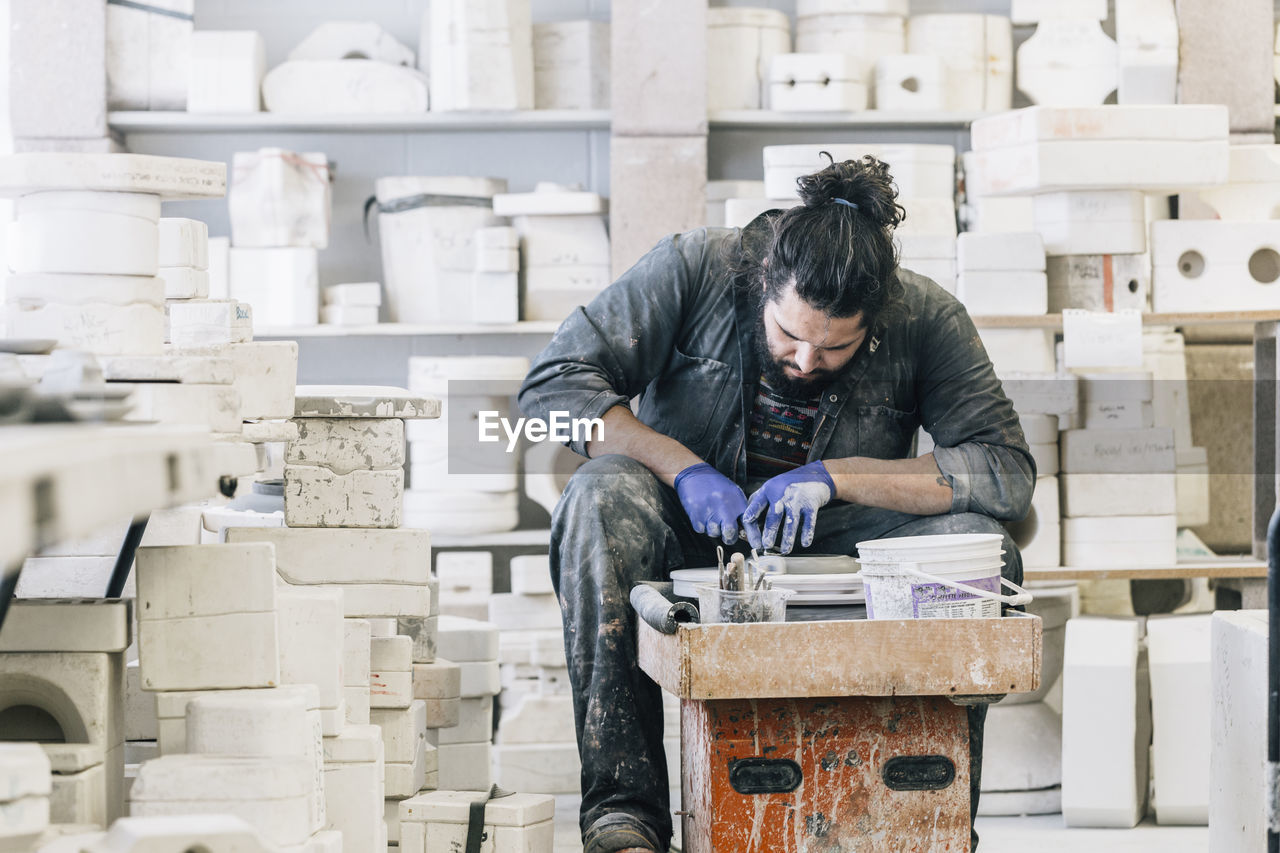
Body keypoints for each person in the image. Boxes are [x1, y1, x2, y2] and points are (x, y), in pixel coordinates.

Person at [518, 155, 1035, 853]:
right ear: (764, 281)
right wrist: (683, 468)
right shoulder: (695, 266)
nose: (803, 360)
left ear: (877, 318)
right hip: (692, 530)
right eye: (787, 335)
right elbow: (549, 394)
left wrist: (837, 475)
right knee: (597, 496)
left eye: (834, 347)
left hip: (838, 543)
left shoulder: (927, 316)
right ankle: (624, 816)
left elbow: (1003, 468)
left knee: (982, 541)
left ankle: (932, 814)